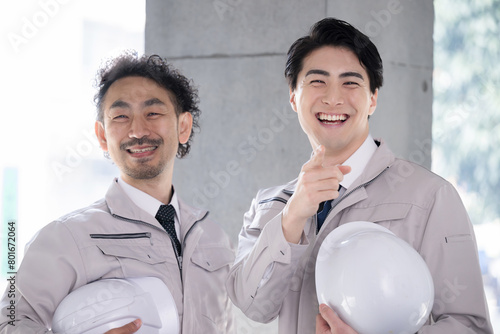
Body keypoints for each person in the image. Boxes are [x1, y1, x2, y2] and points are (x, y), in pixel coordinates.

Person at [226, 17, 493, 334]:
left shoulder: (430, 197)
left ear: (373, 98)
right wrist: (293, 215)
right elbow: (252, 304)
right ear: (294, 97)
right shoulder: (269, 205)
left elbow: (470, 326)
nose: (333, 98)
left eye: (350, 82)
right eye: (317, 81)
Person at [0, 53, 235, 333]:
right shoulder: (66, 237)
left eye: (153, 113)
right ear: (102, 135)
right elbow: (9, 322)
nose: (137, 131)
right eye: (121, 116)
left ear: (183, 127)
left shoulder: (213, 238)